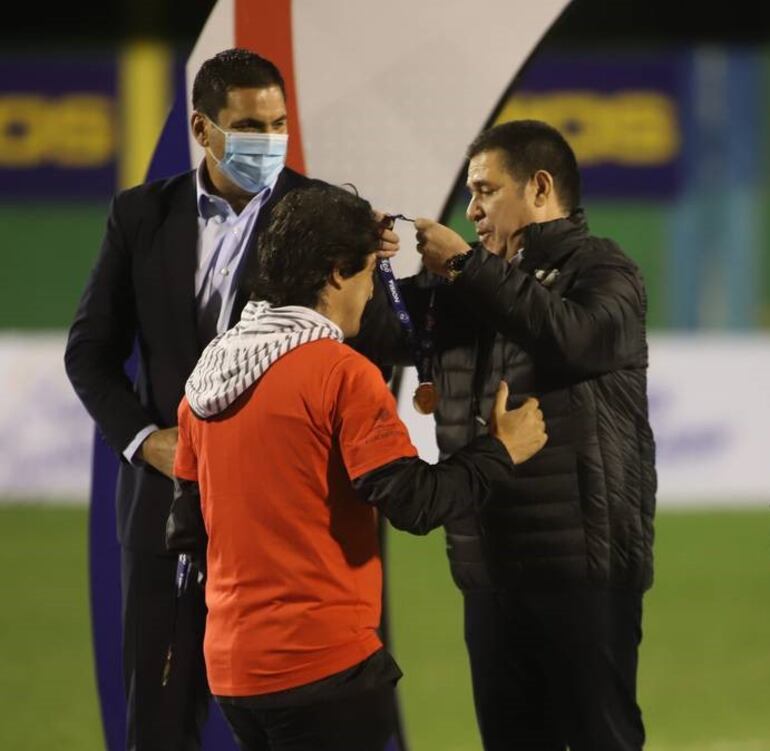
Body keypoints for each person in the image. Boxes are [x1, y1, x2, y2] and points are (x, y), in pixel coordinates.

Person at [64, 48, 401, 750]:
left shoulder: (326, 217)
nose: (269, 140)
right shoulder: (140, 217)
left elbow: (370, 356)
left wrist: (390, 288)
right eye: (250, 124)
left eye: (279, 123)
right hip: (164, 515)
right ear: (202, 128)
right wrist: (146, 440)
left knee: (295, 729)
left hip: (288, 524)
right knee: (156, 727)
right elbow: (89, 353)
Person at [171, 183, 547, 751]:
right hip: (322, 667)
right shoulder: (339, 373)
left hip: (234, 671)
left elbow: (185, 528)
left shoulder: (208, 379)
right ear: (335, 274)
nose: (373, 296)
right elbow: (414, 503)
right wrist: (500, 450)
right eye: (371, 274)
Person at [356, 119, 656, 750]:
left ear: (540, 187)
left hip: (583, 573)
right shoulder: (460, 287)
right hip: (489, 571)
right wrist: (364, 265)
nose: (471, 210)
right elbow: (379, 333)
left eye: (485, 191)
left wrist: (466, 266)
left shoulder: (603, 269)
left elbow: (572, 339)